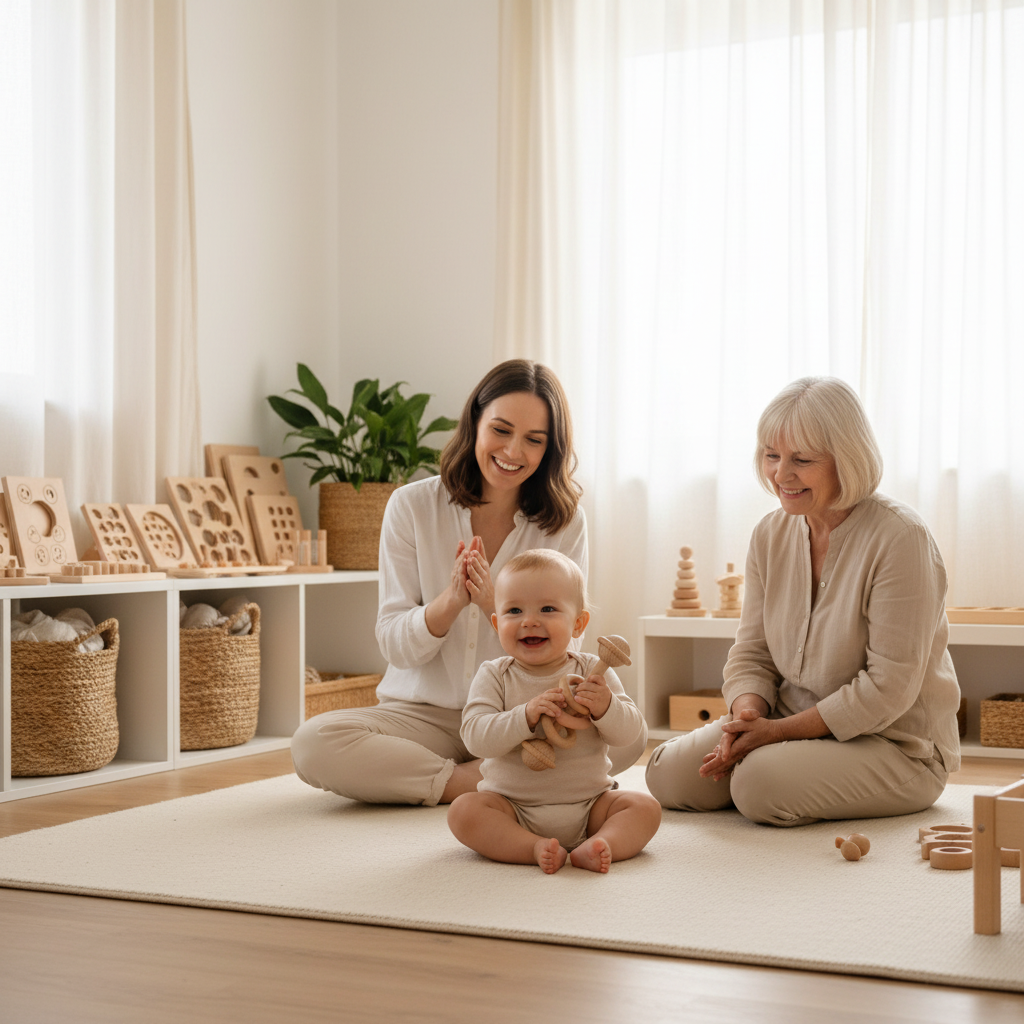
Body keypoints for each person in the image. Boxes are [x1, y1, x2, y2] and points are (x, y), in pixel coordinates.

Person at [291, 358, 648, 805]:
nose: (513, 451)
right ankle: (480, 779)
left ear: (550, 449)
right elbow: (395, 646)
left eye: (534, 440)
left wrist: (493, 604)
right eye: (501, 430)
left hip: (522, 714)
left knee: (629, 735)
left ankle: (467, 775)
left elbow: (567, 642)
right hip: (422, 718)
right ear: (475, 422)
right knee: (314, 743)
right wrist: (452, 600)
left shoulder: (565, 520)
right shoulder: (412, 505)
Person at [645, 376, 962, 826]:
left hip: (895, 745)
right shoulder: (769, 534)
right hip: (784, 721)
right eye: (771, 455)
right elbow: (752, 653)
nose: (780, 474)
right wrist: (747, 718)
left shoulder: (901, 538)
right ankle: (774, 766)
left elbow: (887, 689)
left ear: (846, 459)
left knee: (756, 784)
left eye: (802, 459)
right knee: (667, 774)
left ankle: (774, 771)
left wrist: (774, 734)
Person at [448, 549, 661, 873]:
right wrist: (524, 716)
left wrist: (606, 707)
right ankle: (530, 846)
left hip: (591, 806)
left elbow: (629, 734)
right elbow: (476, 739)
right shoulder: (494, 675)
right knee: (464, 811)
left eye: (547, 609)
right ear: (497, 623)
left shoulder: (592, 670)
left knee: (645, 807)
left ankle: (602, 843)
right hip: (512, 807)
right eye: (514, 610)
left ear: (578, 624)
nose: (529, 621)